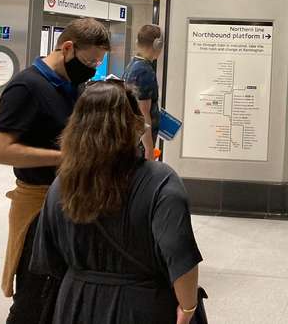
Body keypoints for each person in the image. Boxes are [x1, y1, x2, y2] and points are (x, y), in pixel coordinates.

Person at [30, 81, 203, 323]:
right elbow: (180, 256)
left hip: (76, 303)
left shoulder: (63, 184)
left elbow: (49, 259)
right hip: (143, 305)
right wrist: (187, 308)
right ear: (132, 125)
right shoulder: (161, 181)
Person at [0, 18, 110, 323]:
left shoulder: (73, 84)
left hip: (69, 203)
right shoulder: (26, 86)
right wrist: (65, 156)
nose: (93, 67)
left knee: (62, 294)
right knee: (34, 295)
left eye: (98, 61)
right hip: (38, 211)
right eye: (89, 61)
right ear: (67, 48)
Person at [124, 24, 163, 160]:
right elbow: (143, 113)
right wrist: (149, 150)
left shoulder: (134, 64)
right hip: (141, 144)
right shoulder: (144, 71)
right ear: (157, 45)